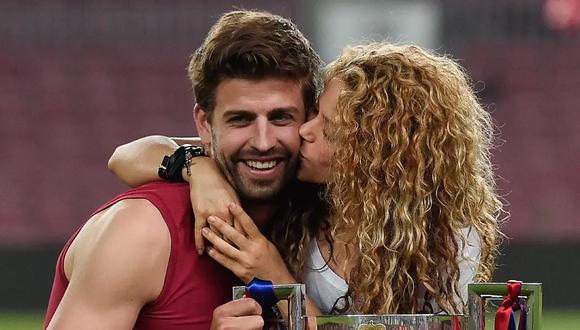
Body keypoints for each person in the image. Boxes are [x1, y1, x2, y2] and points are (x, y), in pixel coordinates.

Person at [109, 43, 503, 316]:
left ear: (372, 153)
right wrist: (200, 168)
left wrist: (275, 277)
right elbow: (127, 156)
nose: (304, 131)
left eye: (327, 127)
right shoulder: (293, 180)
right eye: (313, 114)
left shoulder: (446, 239)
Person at [44, 10, 321, 329]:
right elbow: (124, 155)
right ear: (204, 124)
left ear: (309, 119)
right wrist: (195, 164)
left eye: (280, 118)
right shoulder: (141, 231)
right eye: (240, 120)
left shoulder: (331, 218)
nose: (262, 142)